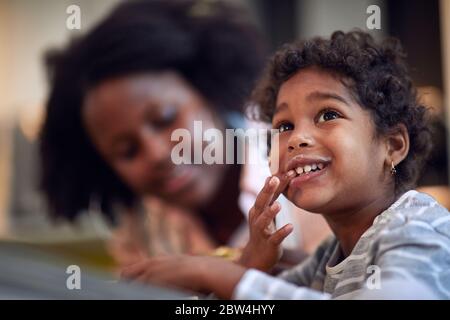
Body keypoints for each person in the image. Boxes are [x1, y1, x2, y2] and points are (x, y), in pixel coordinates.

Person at [120, 30, 450, 299]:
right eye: (284, 126)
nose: (295, 139)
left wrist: (219, 275)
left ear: (392, 145)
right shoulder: (327, 257)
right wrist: (252, 265)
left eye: (328, 115)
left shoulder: (413, 226)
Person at [39, 0, 329, 267]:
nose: (157, 154)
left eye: (165, 119)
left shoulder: (308, 168)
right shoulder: (141, 234)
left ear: (210, 91)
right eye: (127, 151)